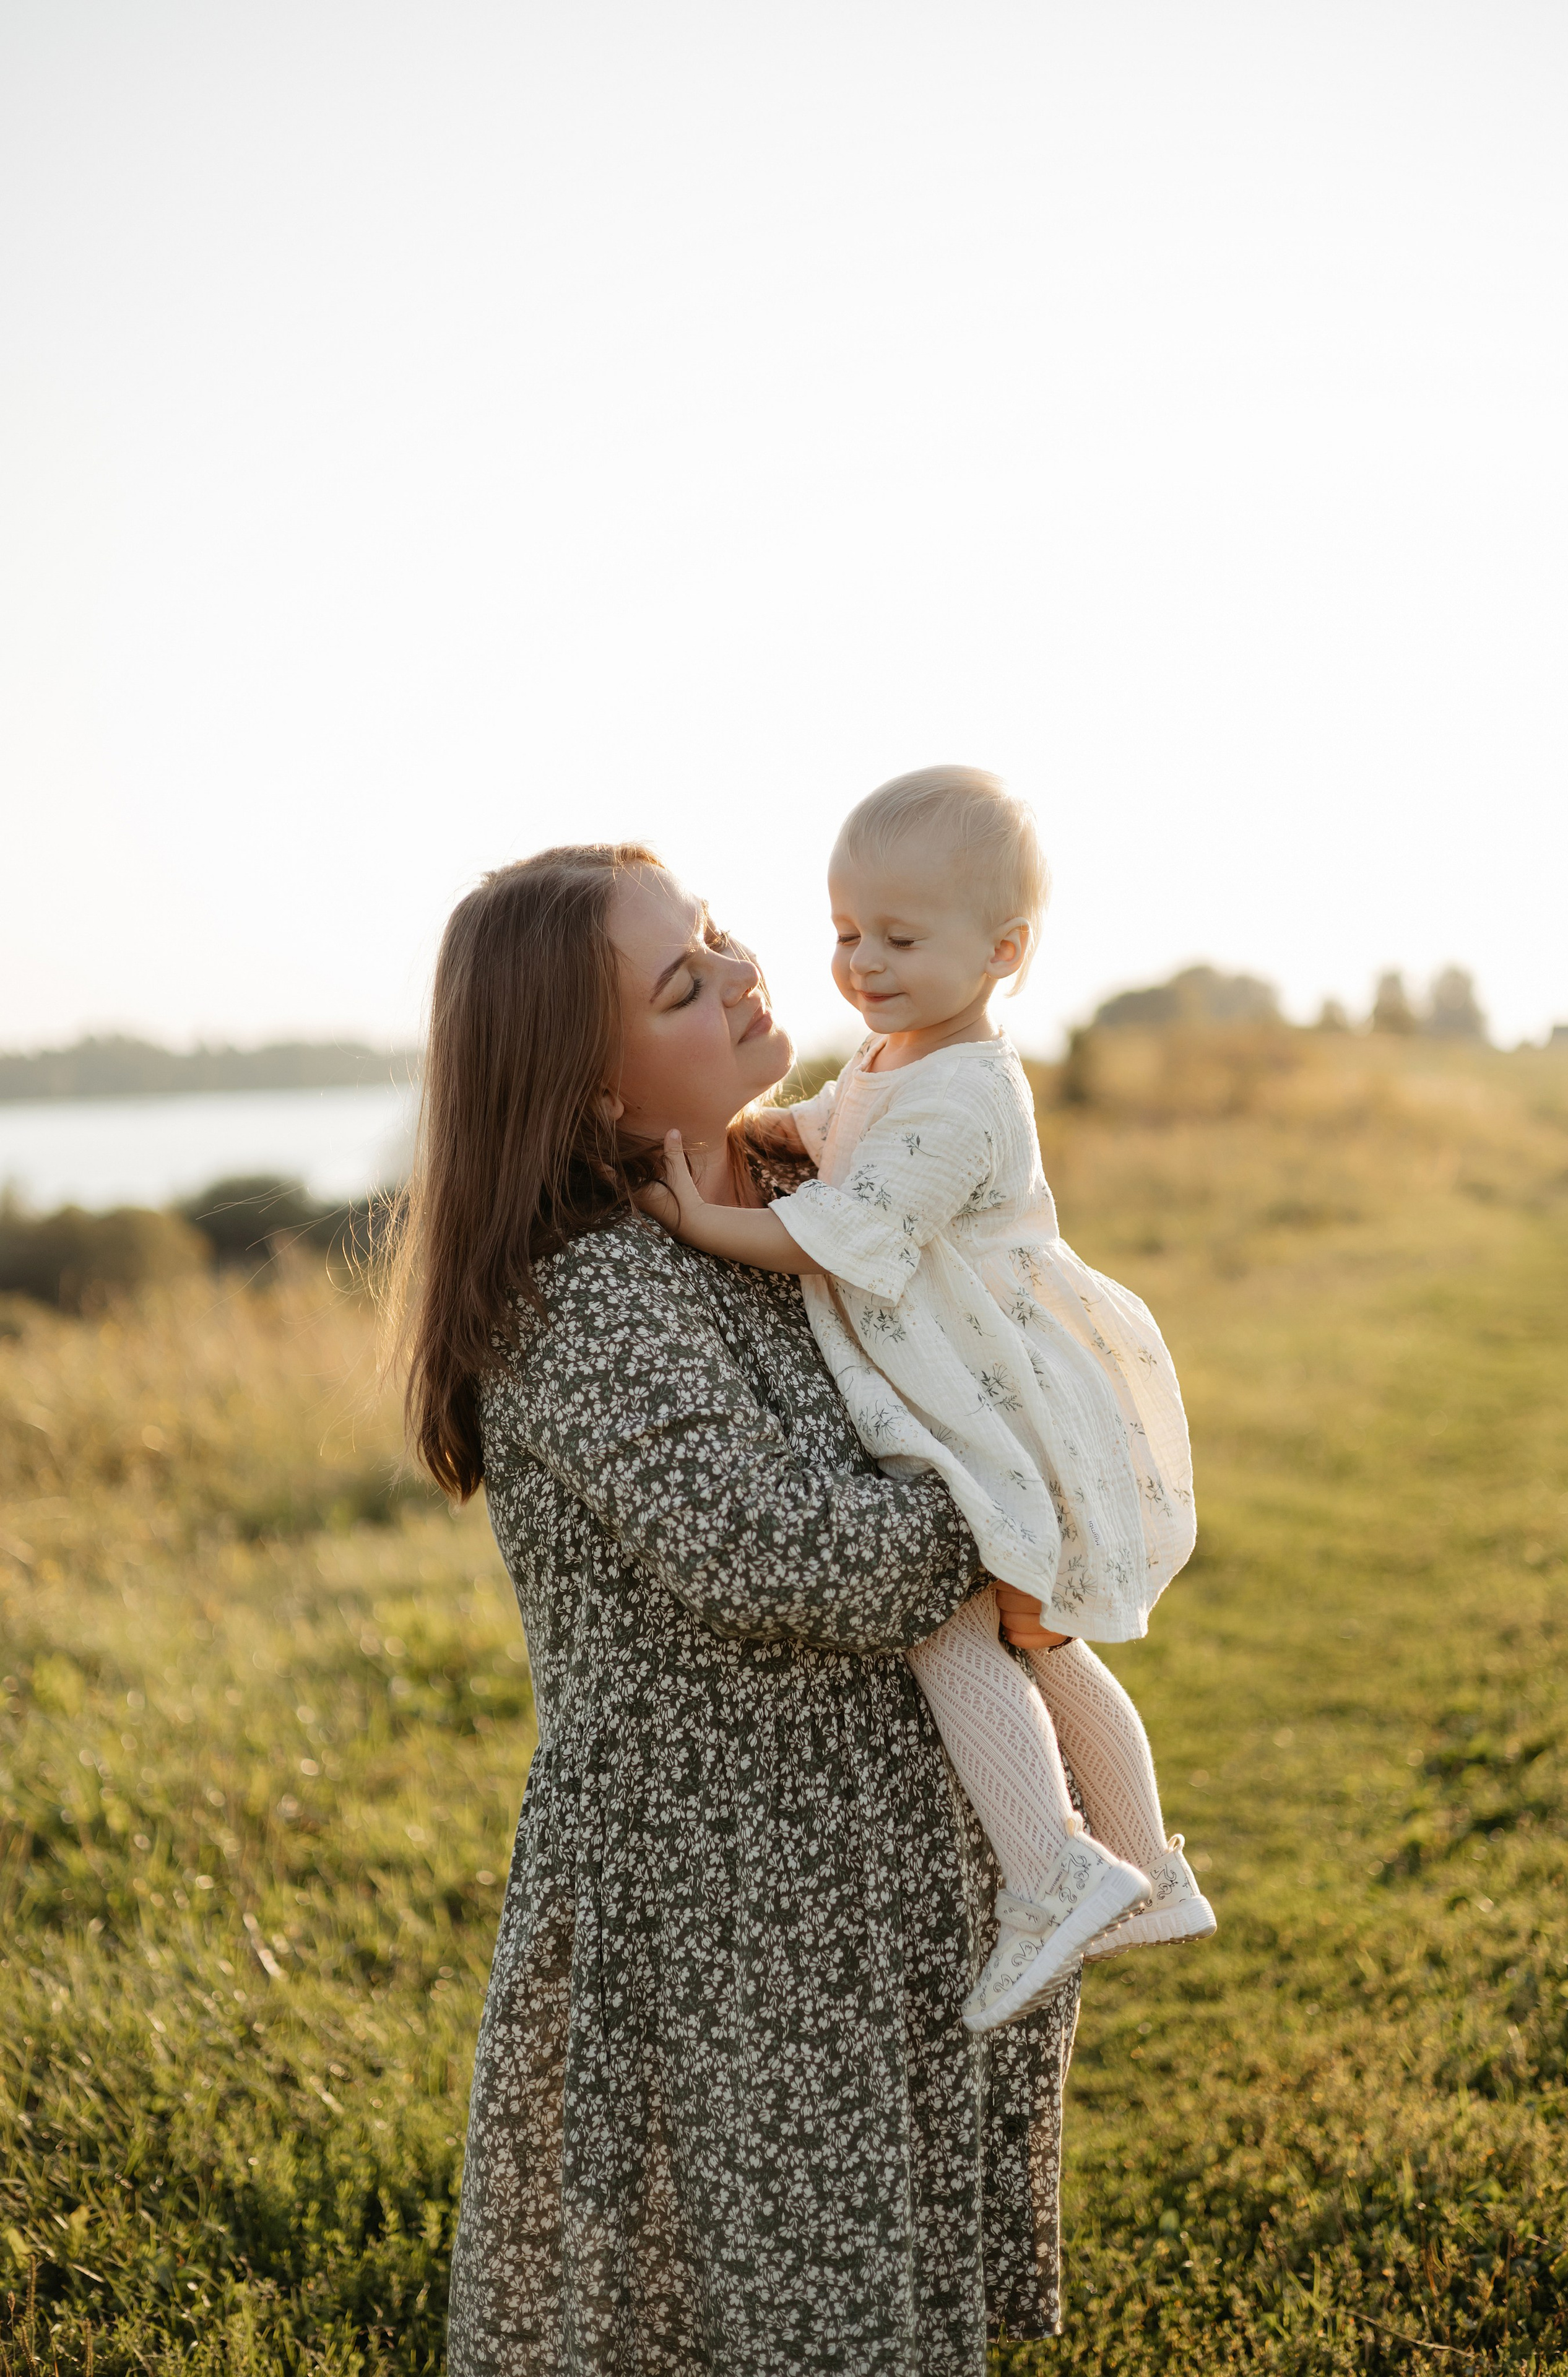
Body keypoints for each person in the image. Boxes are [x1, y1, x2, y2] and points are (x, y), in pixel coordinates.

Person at [399, 841, 1080, 2376]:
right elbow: (794, 1555)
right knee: (756, 2303)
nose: (739, 971)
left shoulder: (794, 1188)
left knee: (883, 2294)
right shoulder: (585, 1298)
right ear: (591, 1093)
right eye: (678, 979)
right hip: (734, 1904)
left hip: (874, 1868)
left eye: (715, 936)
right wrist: (1013, 1502)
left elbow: (976, 1332)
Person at [644, 766, 1215, 2036]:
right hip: (962, 1377)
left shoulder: (967, 1087)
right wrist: (767, 1132)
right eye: (845, 933)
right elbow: (836, 1131)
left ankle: (1055, 1868)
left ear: (1001, 952)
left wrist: (702, 1215)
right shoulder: (898, 1053)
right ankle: (1146, 1869)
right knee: (1030, 1625)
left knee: (954, 1619)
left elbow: (858, 1228)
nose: (861, 962)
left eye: (899, 939)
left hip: (991, 1393)